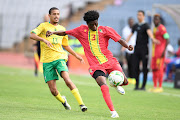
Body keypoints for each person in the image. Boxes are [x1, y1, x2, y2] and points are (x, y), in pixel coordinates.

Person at [46, 10, 133, 118]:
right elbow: (65, 33)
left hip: (109, 61)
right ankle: (113, 112)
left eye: (96, 23)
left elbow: (120, 40)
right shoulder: (81, 30)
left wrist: (127, 46)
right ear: (87, 24)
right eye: (92, 25)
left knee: (125, 82)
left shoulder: (105, 30)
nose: (95, 26)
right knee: (102, 84)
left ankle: (115, 84)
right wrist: (53, 32)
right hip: (95, 65)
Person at [30, 7, 87, 112]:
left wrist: (76, 55)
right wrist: (43, 39)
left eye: (58, 14)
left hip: (60, 58)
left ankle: (81, 104)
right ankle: (63, 101)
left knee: (67, 80)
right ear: (49, 16)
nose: (56, 16)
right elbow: (32, 35)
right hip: (47, 61)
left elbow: (66, 46)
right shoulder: (43, 26)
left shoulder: (62, 29)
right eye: (54, 14)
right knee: (53, 90)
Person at [126, 10, 160, 90]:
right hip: (137, 49)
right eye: (138, 15)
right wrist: (125, 44)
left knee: (144, 67)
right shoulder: (136, 25)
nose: (139, 16)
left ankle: (143, 86)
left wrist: (153, 39)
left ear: (143, 16)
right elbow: (130, 35)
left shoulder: (146, 25)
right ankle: (137, 85)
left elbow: (149, 33)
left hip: (144, 49)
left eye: (140, 15)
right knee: (135, 67)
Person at [150, 14, 169, 93]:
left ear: (159, 20)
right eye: (154, 19)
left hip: (160, 52)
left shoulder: (162, 28)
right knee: (154, 68)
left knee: (160, 69)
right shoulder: (154, 28)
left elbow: (167, 38)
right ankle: (155, 86)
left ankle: (160, 86)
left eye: (157, 19)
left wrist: (164, 51)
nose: (155, 21)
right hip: (154, 52)